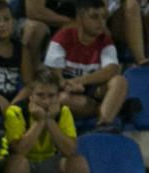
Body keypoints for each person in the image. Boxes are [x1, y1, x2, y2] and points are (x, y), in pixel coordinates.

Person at [0, 68, 90, 173]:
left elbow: (70, 150)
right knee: (18, 162)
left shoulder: (64, 111)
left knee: (79, 163)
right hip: (22, 164)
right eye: (40, 95)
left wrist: (50, 121)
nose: (46, 101)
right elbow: (20, 150)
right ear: (31, 95)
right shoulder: (15, 111)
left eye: (51, 96)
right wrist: (40, 122)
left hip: (49, 162)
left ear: (57, 96)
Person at [44, 0, 128, 132]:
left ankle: (103, 123)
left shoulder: (105, 40)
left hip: (94, 90)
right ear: (80, 18)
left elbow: (111, 70)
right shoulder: (62, 37)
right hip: (69, 92)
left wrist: (80, 81)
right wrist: (67, 85)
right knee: (63, 99)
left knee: (120, 81)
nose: (101, 23)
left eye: (103, 17)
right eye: (94, 17)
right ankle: (114, 107)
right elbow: (55, 76)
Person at [16, 0, 76, 73]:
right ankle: (32, 76)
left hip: (62, 25)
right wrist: (73, 23)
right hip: (29, 22)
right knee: (35, 28)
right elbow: (34, 12)